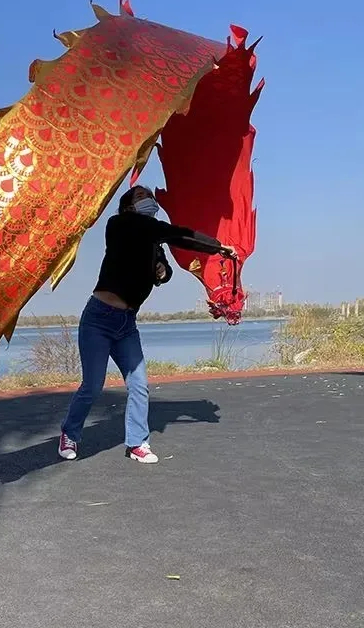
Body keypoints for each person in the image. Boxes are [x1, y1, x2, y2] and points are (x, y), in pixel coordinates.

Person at [58, 185, 237, 463]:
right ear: (129, 206)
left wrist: (162, 271)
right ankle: (70, 433)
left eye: (150, 197)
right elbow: (179, 235)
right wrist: (217, 247)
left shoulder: (154, 239)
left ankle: (137, 444)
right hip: (99, 318)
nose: (150, 200)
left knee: (139, 384)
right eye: (142, 197)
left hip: (126, 323)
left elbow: (164, 270)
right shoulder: (119, 224)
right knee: (93, 386)